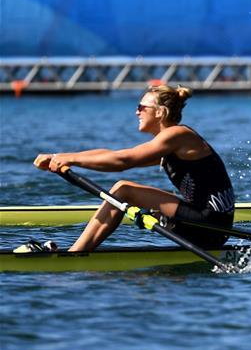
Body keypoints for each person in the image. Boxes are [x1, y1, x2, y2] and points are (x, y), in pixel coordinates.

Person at [32, 84, 235, 251]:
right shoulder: (170, 143)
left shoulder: (177, 135)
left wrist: (70, 160)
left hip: (210, 225)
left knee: (123, 190)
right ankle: (78, 251)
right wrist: (59, 157)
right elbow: (111, 155)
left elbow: (123, 161)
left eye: (141, 107)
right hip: (206, 222)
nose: (136, 111)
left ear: (160, 113)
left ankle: (76, 254)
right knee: (124, 191)